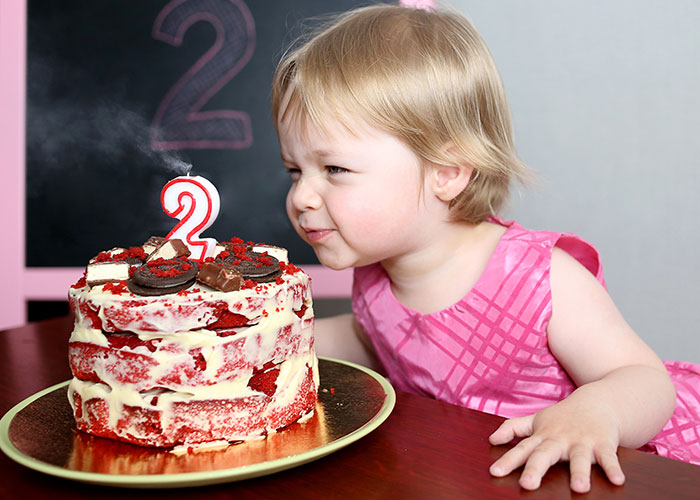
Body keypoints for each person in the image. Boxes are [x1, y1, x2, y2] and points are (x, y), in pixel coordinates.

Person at [270, 3, 700, 493]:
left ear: (446, 172)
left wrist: (594, 413)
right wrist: (264, 336)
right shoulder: (378, 271)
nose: (301, 196)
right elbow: (376, 338)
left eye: (335, 170)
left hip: (616, 471)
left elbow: (643, 379)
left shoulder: (539, 276)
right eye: (294, 170)